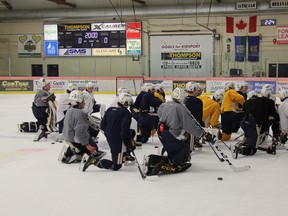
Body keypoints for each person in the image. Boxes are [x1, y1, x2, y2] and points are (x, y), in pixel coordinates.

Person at [143, 88, 213, 176]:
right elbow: (189, 125)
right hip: (172, 134)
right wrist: (201, 134)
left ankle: (153, 160)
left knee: (176, 151)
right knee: (180, 155)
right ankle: (162, 165)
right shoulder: (181, 108)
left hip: (161, 132)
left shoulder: (164, 105)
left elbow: (160, 114)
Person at [81, 93, 136, 172]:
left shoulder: (110, 109)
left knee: (118, 154)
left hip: (110, 137)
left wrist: (111, 132)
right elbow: (124, 133)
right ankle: (94, 161)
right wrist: (128, 142)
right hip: (117, 141)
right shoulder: (126, 113)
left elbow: (102, 126)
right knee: (117, 165)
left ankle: (124, 156)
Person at [60, 90, 106, 164]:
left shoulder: (69, 110)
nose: (84, 103)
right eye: (83, 101)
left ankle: (72, 150)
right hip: (75, 138)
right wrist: (87, 145)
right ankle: (78, 153)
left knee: (88, 133)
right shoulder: (80, 113)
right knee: (95, 149)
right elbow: (80, 132)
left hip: (68, 136)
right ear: (78, 102)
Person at [231, 93, 276, 159]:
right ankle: (239, 150)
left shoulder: (248, 102)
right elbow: (265, 118)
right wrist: (263, 129)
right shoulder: (268, 103)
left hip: (244, 123)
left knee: (249, 134)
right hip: (252, 124)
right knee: (253, 150)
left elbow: (244, 113)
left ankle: (244, 142)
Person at [184, 81, 204, 148]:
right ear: (194, 90)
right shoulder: (198, 102)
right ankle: (194, 141)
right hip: (192, 126)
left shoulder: (184, 99)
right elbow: (198, 117)